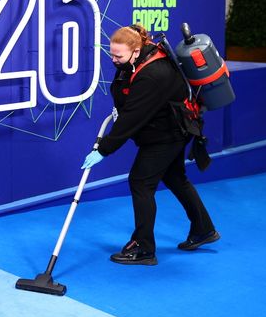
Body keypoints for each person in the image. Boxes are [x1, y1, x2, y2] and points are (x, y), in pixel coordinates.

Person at [80, 24, 219, 265]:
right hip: (167, 129)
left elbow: (132, 118)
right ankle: (203, 229)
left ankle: (143, 248)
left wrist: (103, 150)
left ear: (136, 50)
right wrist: (120, 106)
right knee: (175, 178)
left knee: (140, 182)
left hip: (168, 135)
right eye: (111, 54)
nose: (113, 59)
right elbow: (128, 97)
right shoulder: (135, 61)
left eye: (118, 55)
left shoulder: (153, 74)